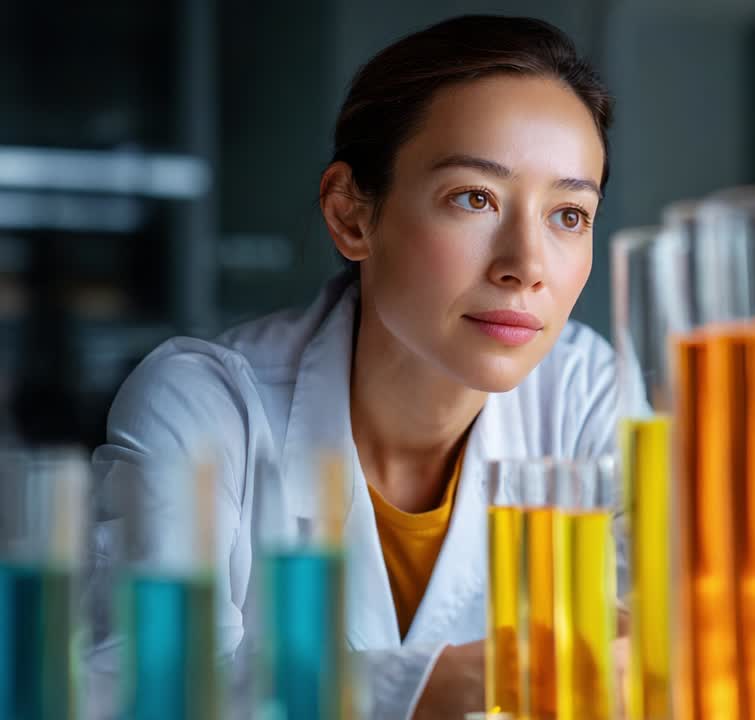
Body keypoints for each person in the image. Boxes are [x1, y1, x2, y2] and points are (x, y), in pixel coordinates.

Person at [85, 15, 622, 719]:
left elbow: (654, 639)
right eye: (474, 198)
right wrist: (430, 689)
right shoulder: (204, 406)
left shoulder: (581, 390)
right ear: (351, 215)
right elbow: (145, 692)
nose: (526, 267)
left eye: (569, 215)